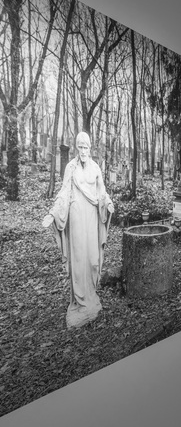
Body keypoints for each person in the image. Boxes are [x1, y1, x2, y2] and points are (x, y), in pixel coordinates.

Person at [43, 132, 114, 328]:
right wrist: (53, 212)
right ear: (76, 148)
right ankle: (80, 302)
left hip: (92, 217)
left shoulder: (95, 168)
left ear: (90, 148)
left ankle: (91, 297)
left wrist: (108, 203)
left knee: (92, 260)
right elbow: (64, 192)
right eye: (80, 147)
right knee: (79, 259)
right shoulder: (71, 167)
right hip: (75, 216)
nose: (83, 151)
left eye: (86, 147)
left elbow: (101, 192)